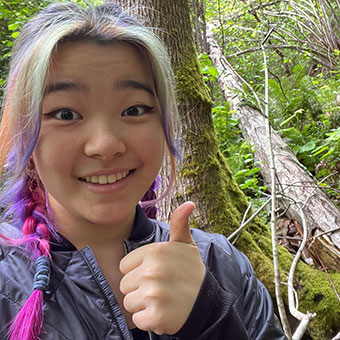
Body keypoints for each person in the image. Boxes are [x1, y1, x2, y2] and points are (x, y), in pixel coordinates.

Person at [0, 2, 287, 340]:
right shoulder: (7, 282)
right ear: (24, 137)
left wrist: (211, 319)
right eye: (65, 114)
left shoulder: (221, 263)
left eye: (134, 109)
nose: (105, 145)